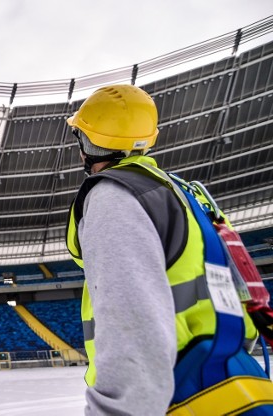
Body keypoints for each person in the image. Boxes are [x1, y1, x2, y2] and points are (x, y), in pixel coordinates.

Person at [64, 84, 273, 415]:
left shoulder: (113, 197)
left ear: (88, 143)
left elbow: (131, 322)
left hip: (177, 394)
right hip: (234, 381)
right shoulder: (188, 195)